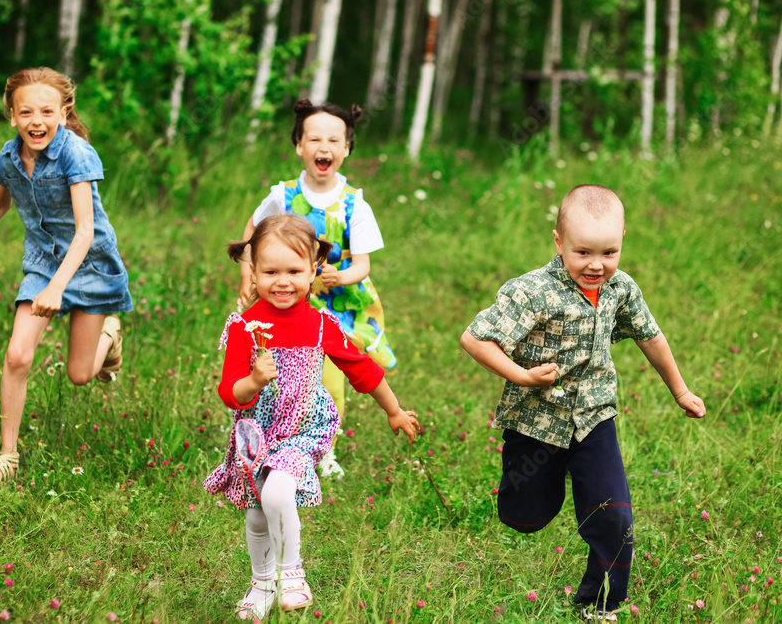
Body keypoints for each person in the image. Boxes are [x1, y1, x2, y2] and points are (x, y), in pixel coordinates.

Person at [460, 184, 705, 622]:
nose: (597, 265)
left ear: (623, 240)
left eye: (609, 252)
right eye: (583, 253)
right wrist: (522, 375)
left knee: (612, 514)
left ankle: (600, 604)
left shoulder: (621, 289)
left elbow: (650, 336)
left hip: (594, 418)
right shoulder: (531, 291)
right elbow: (474, 339)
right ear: (559, 242)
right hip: (536, 422)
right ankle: (533, 496)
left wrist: (681, 390)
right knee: (526, 515)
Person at [207, 214, 419, 620]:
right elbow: (229, 394)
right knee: (255, 512)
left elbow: (361, 368)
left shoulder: (321, 324)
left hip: (304, 428)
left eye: (294, 271)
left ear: (314, 270)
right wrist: (253, 381)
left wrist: (393, 410)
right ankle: (262, 583)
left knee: (277, 494)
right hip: (257, 432)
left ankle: (292, 574)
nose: (282, 281)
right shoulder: (244, 327)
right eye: (270, 271)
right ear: (253, 270)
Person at [0, 67, 131, 482]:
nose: (36, 121)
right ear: (12, 115)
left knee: (80, 375)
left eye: (45, 111)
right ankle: (7, 457)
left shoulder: (76, 153)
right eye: (26, 112)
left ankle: (109, 334)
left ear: (63, 112)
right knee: (17, 355)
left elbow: (85, 230)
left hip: (89, 263)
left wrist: (60, 287)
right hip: (43, 263)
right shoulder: (8, 158)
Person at [238, 99, 394, 480]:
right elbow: (251, 235)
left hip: (338, 308)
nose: (323, 147)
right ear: (299, 146)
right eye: (314, 139)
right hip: (284, 299)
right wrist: (248, 278)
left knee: (332, 383)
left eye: (333, 140)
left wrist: (343, 276)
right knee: (277, 378)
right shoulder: (284, 195)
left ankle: (324, 451)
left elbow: (363, 264)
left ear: (346, 149)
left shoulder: (355, 204)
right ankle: (270, 440)